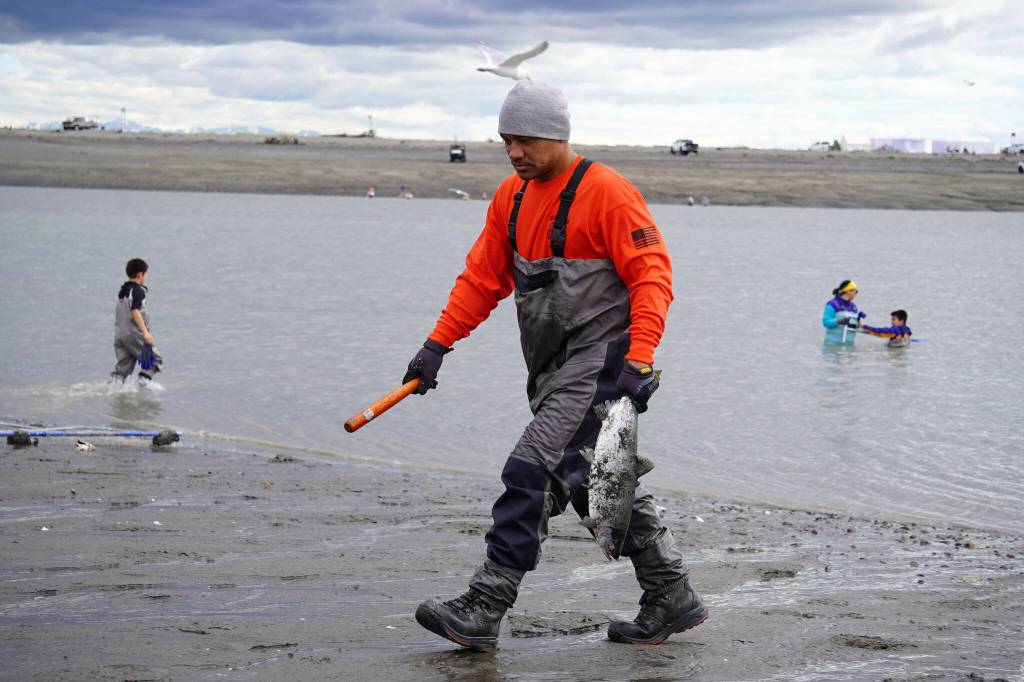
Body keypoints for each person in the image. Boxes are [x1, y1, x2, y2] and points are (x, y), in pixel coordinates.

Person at [403, 81, 705, 651]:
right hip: (549, 369)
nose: (514, 152)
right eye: (505, 141)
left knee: (531, 471)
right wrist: (436, 346)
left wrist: (639, 359)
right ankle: (671, 594)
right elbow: (480, 279)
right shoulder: (510, 199)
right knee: (591, 482)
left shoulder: (607, 193)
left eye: (524, 140)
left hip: (603, 366)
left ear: (557, 135)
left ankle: (486, 603)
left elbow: (653, 278)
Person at [112, 258, 161, 383]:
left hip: (120, 335)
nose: (146, 277)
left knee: (122, 371)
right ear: (140, 274)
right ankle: (142, 385)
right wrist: (146, 333)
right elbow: (135, 311)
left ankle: (116, 390)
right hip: (134, 334)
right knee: (155, 360)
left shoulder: (122, 291)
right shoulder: (138, 291)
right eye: (146, 274)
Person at [822, 279, 866, 345]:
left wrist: (859, 319)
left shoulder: (853, 307)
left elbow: (856, 327)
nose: (856, 294)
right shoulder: (832, 304)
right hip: (831, 345)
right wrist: (839, 321)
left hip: (849, 345)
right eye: (855, 291)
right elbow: (826, 322)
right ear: (849, 291)